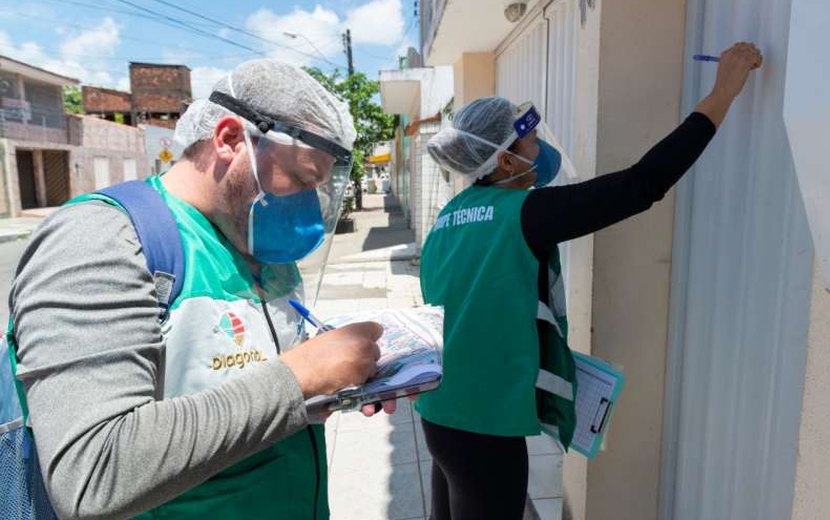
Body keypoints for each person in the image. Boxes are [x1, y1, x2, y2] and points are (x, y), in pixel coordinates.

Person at [9, 59, 397, 520]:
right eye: (298, 180)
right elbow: (92, 472)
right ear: (231, 139)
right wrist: (299, 378)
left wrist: (335, 383)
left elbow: (243, 384)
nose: (307, 206)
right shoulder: (102, 238)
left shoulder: (254, 239)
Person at [415, 42, 764, 520]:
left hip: (441, 413)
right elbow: (643, 184)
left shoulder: (448, 217)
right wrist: (724, 91)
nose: (540, 147)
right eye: (530, 141)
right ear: (505, 162)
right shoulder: (523, 214)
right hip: (485, 427)